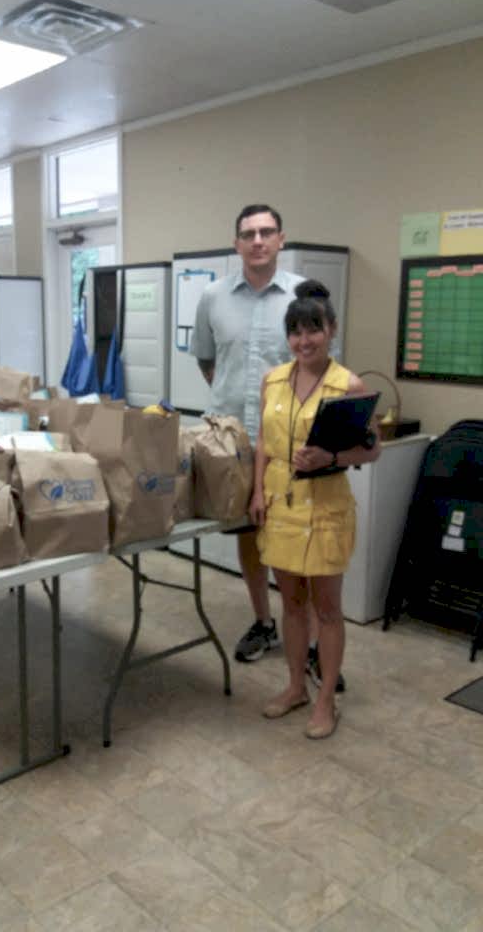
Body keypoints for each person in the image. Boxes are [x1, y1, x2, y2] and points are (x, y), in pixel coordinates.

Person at [250, 280, 380, 738]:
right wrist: (255, 491)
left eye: (313, 330)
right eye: (295, 332)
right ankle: (294, 687)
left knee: (326, 608)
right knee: (291, 603)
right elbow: (264, 439)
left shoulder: (349, 386)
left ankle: (326, 699)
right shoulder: (273, 380)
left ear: (331, 330)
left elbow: (371, 452)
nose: (304, 341)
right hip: (281, 501)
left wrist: (332, 458)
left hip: (325, 507)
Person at [190, 203, 304, 662]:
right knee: (249, 538)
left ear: (281, 240)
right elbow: (206, 360)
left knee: (294, 546)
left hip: (284, 444)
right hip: (232, 445)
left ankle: (310, 642)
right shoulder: (213, 297)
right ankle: (264, 622)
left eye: (267, 232)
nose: (258, 240)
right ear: (236, 243)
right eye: (248, 234)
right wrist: (233, 399)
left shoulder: (303, 296)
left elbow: (315, 365)